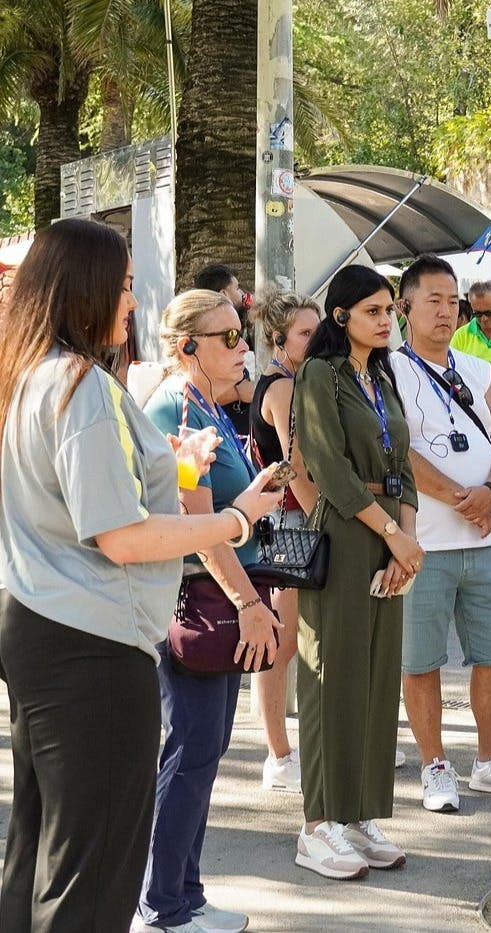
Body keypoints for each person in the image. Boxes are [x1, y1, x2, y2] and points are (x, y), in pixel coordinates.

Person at [0, 218, 279, 933]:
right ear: (86, 288)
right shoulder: (78, 386)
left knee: (44, 851)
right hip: (89, 641)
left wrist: (174, 468)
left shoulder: (35, 375)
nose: (132, 302)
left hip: (47, 629)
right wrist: (236, 519)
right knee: (91, 867)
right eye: (124, 285)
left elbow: (86, 505)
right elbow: (122, 537)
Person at [135, 290, 286, 933]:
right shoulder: (176, 407)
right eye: (227, 337)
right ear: (186, 347)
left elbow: (220, 511)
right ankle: (162, 905)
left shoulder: (206, 406)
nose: (242, 345)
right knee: (191, 751)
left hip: (215, 596)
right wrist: (250, 603)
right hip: (200, 601)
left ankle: (184, 895)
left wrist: (254, 499)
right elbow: (196, 527)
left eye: (241, 333)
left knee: (205, 750)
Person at [388, 255, 491, 814]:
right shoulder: (389, 371)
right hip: (424, 541)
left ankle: (490, 760)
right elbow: (396, 451)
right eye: (434, 300)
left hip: (485, 538)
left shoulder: (478, 370)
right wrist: (460, 495)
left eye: (453, 301)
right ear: (405, 307)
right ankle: (434, 765)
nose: (447, 312)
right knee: (421, 661)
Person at [293, 264, 425, 879]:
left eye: (389, 309)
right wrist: (393, 533)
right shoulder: (319, 374)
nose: (386, 318)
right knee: (331, 676)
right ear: (341, 315)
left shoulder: (383, 374)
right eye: (374, 310)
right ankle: (318, 822)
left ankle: (358, 812)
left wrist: (408, 539)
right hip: (346, 530)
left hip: (388, 530)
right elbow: (330, 469)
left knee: (374, 676)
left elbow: (404, 460)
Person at [248, 287, 324, 794]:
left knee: (295, 639)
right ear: (279, 339)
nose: (316, 339)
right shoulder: (284, 387)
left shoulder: (285, 380)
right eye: (305, 332)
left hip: (289, 522)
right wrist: (324, 516)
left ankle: (290, 750)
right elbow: (295, 468)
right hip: (293, 525)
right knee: (283, 643)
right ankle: (278, 754)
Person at [192, 263, 254, 436]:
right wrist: (238, 393)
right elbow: (199, 390)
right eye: (237, 288)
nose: (241, 294)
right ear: (224, 295)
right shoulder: (207, 336)